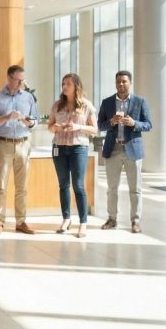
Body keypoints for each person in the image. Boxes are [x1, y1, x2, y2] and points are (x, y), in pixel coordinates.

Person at [98, 70, 152, 233]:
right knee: (111, 188)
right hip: (112, 149)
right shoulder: (107, 102)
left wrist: (134, 123)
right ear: (115, 83)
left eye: (124, 81)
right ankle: (112, 218)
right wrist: (111, 122)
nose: (121, 84)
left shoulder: (140, 101)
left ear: (130, 83)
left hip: (132, 149)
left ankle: (135, 220)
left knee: (135, 188)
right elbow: (100, 125)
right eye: (118, 82)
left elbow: (148, 124)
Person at [0, 64, 39, 235]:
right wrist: (7, 117)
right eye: (17, 80)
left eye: (22, 80)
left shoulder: (28, 97)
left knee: (22, 186)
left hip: (24, 143)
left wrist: (29, 122)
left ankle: (21, 221)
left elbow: (36, 120)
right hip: (3, 144)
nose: (20, 84)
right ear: (9, 78)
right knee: (1, 185)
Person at [48, 73, 98, 238]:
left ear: (76, 85)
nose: (64, 86)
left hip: (78, 148)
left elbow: (94, 130)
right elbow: (50, 126)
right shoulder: (57, 105)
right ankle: (66, 219)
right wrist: (57, 127)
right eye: (63, 83)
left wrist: (77, 127)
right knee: (63, 185)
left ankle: (83, 223)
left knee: (78, 185)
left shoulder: (86, 105)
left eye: (68, 83)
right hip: (59, 148)